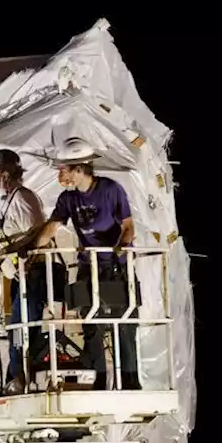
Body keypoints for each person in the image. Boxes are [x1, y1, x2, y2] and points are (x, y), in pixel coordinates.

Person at [27, 137, 140, 390]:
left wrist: (118, 252)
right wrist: (32, 250)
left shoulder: (111, 190)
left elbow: (128, 227)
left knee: (123, 324)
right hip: (88, 265)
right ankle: (99, 378)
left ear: (79, 168)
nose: (60, 174)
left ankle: (131, 380)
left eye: (63, 169)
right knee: (91, 322)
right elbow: (52, 228)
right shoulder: (68, 200)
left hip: (115, 266)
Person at [0, 149, 47, 393]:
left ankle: (19, 379)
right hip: (19, 278)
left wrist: (5, 254)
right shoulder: (10, 201)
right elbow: (6, 243)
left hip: (32, 274)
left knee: (22, 328)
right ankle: (15, 377)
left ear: (5, 174)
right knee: (16, 328)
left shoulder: (22, 198)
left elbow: (37, 234)